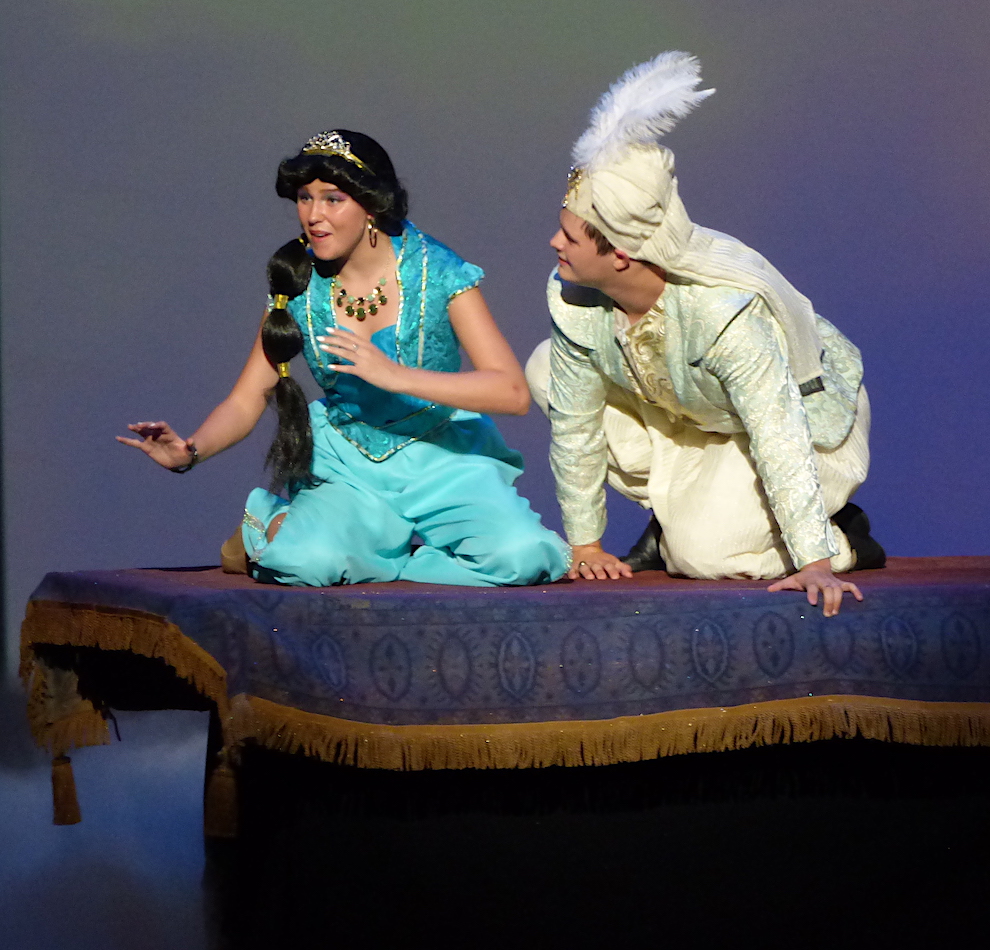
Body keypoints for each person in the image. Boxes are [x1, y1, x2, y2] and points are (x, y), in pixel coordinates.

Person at [120, 129, 570, 587]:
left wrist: (394, 375)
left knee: (525, 558)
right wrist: (190, 452)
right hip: (348, 465)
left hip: (442, 457)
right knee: (307, 563)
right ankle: (276, 530)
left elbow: (511, 392)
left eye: (332, 199)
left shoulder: (438, 272)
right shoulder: (297, 283)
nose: (313, 215)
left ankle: (385, 558)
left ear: (371, 205)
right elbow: (247, 399)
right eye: (304, 198)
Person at [525, 52, 884, 617]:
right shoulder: (572, 297)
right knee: (547, 367)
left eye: (569, 237)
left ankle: (842, 536)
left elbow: (777, 431)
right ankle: (683, 517)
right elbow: (575, 426)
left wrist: (815, 560)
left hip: (798, 424)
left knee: (706, 557)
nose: (554, 243)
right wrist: (586, 544)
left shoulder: (722, 314)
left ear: (621, 254)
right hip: (696, 416)